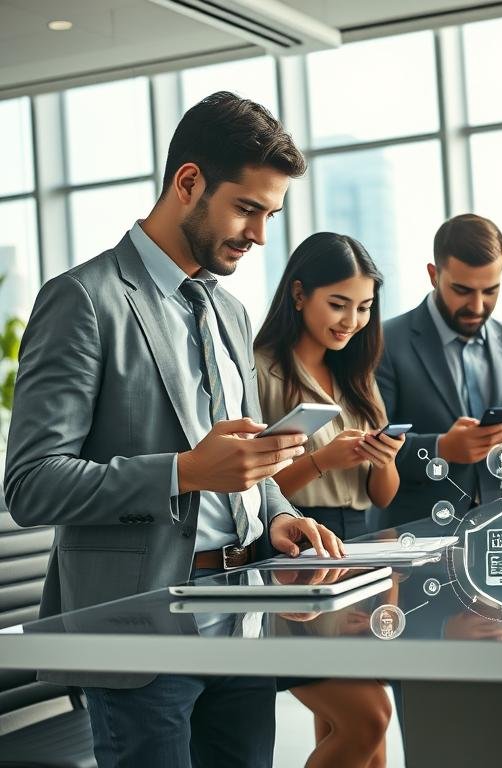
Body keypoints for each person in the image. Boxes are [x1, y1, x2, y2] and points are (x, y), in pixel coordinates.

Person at [3, 91, 344, 768]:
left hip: (241, 623)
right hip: (140, 636)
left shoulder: (232, 313)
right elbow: (31, 485)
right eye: (247, 208)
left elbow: (245, 468)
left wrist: (275, 515)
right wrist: (184, 472)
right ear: (188, 183)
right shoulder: (84, 300)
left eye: (270, 214)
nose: (259, 234)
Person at [255, 232, 400, 767]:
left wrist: (382, 460)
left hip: (359, 549)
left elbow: (381, 492)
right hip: (298, 553)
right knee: (368, 717)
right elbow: (254, 488)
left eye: (363, 307)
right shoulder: (263, 370)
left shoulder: (354, 374)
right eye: (338, 304)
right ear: (299, 295)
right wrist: (321, 461)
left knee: (363, 738)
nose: (351, 320)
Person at [374, 213, 502, 527]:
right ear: (433, 275)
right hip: (413, 536)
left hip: (498, 530)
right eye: (463, 290)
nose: (478, 306)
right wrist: (442, 447)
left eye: (491, 291)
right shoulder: (385, 343)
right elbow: (373, 446)